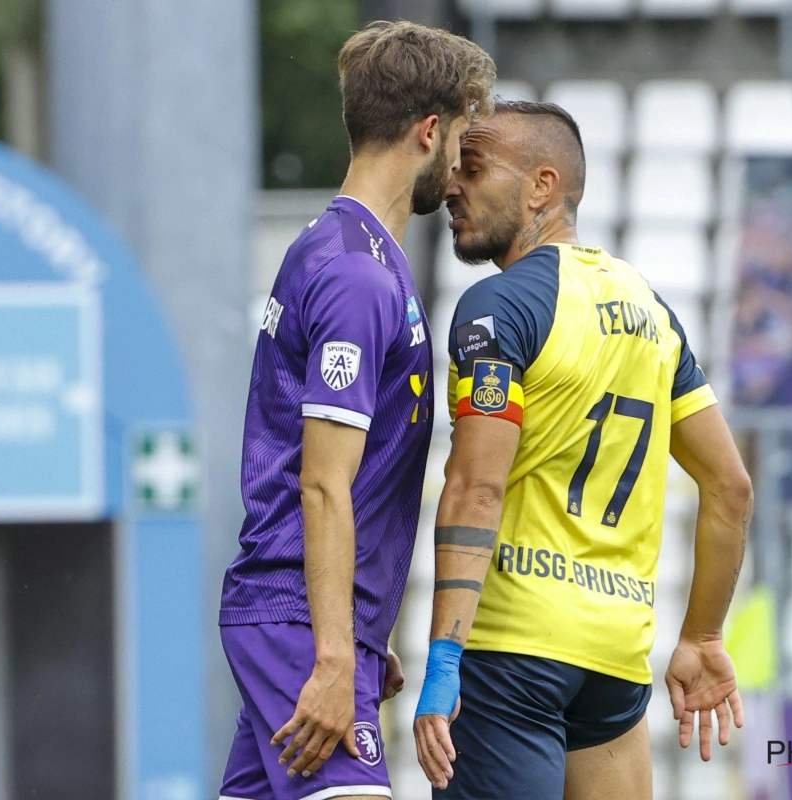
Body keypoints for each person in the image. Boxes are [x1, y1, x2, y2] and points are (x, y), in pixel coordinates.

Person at [411, 101, 752, 799]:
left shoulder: (499, 307)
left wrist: (444, 657)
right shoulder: (652, 310)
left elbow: (477, 487)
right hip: (615, 661)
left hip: (512, 652)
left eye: (473, 169)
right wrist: (704, 638)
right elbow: (730, 488)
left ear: (542, 185)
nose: (452, 187)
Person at [217, 21, 495, 800]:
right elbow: (322, 483)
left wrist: (361, 632)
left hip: (313, 619)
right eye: (465, 136)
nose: (464, 160)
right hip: (300, 624)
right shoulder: (357, 278)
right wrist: (337, 653)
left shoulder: (341, 250)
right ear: (430, 130)